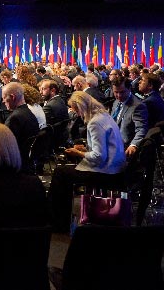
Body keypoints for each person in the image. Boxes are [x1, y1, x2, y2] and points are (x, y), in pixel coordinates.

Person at [49, 91, 126, 233]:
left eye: (76, 109)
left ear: (82, 106)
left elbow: (99, 156)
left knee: (61, 173)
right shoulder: (103, 115)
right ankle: (59, 217)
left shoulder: (95, 123)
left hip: (107, 171)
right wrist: (85, 148)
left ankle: (58, 220)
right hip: (115, 165)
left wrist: (78, 152)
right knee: (64, 172)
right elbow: (102, 148)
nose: (76, 113)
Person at [111, 76, 149, 157]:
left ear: (129, 89)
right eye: (116, 92)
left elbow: (141, 129)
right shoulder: (116, 102)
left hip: (124, 145)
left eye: (122, 92)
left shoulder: (138, 106)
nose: (119, 95)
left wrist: (133, 145)